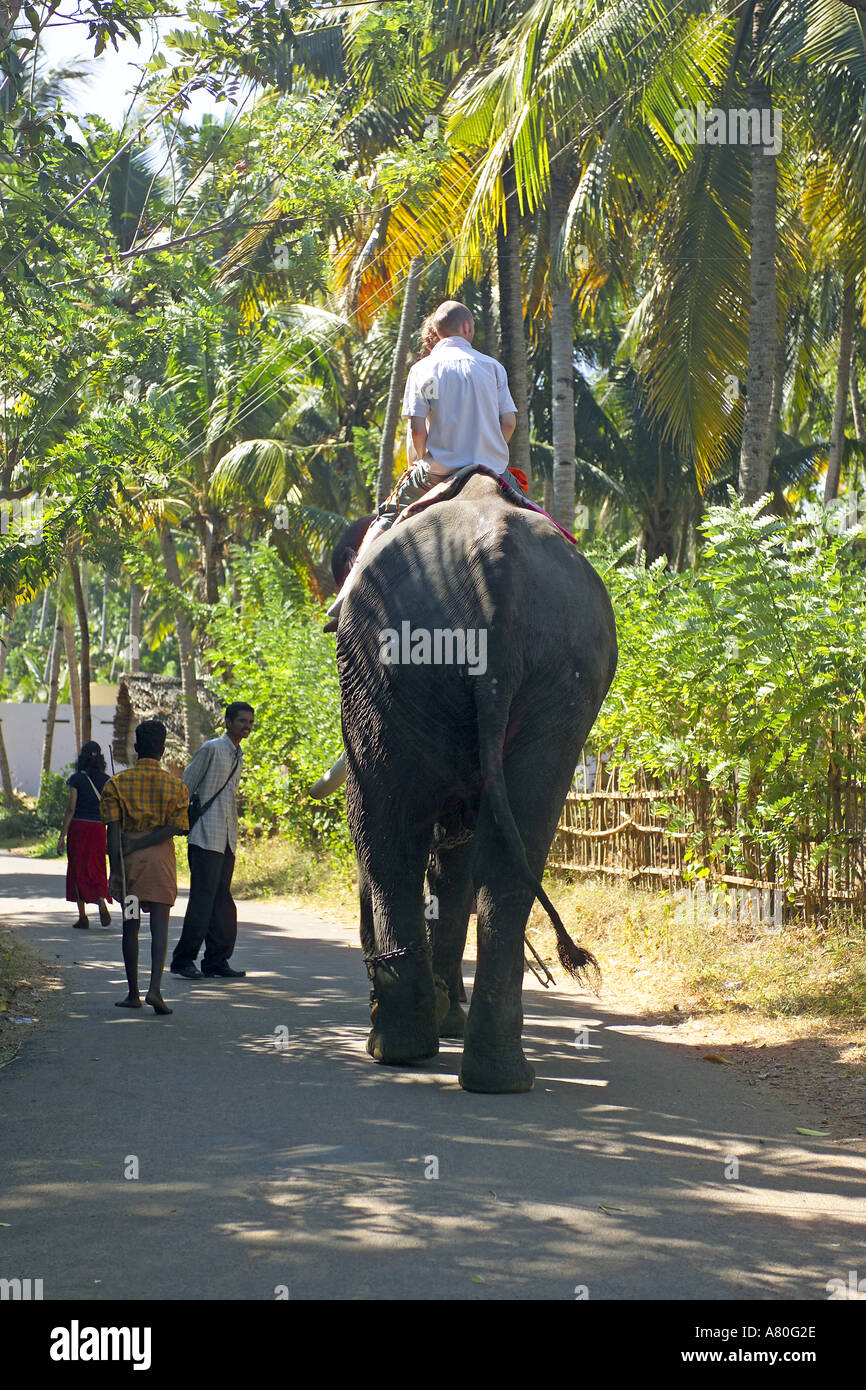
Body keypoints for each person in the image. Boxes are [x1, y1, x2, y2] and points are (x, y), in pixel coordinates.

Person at [324, 300, 520, 630]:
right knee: (536, 518)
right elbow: (509, 423)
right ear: (468, 328)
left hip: (437, 472)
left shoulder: (423, 369)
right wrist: (490, 451)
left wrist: (422, 458)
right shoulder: (493, 368)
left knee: (386, 518)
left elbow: (416, 428)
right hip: (492, 472)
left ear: (436, 333)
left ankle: (347, 596)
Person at [101, 720, 189, 1016]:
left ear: (136, 747)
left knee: (130, 925)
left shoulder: (116, 784)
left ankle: (132, 993)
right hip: (160, 864)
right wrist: (146, 842)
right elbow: (176, 826)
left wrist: (116, 869)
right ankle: (155, 989)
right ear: (163, 749)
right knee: (160, 926)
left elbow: (113, 834)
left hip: (129, 868)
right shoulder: (176, 786)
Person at [169, 702, 254, 981]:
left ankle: (216, 960)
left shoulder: (238, 753)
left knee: (222, 900)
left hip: (227, 837)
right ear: (227, 722)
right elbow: (185, 787)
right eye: (242, 721)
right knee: (203, 900)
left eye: (250, 721)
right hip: (205, 835)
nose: (247, 726)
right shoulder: (212, 749)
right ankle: (184, 959)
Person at [58, 741, 113, 929]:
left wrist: (61, 836)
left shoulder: (76, 779)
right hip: (98, 829)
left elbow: (71, 807)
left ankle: (83, 917)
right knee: (97, 866)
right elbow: (108, 808)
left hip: (79, 827)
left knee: (77, 868)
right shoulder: (107, 780)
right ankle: (100, 900)